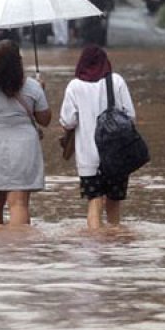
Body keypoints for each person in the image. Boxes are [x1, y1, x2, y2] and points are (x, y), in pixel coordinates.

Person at [0, 40, 50, 225]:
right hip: (24, 146)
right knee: (19, 203)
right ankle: (19, 249)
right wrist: (41, 91)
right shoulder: (32, 87)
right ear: (19, 61)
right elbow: (45, 120)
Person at [59, 45, 137, 230]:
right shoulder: (116, 81)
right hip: (116, 156)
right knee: (114, 206)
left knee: (94, 203)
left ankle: (95, 249)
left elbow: (67, 121)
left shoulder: (74, 86)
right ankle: (112, 248)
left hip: (88, 158)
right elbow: (131, 116)